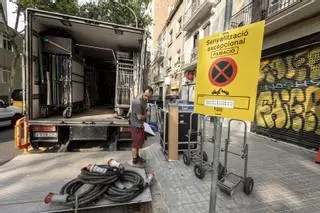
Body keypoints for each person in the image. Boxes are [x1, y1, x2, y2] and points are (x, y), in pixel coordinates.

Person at [130, 86, 153, 166]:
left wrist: (146, 110)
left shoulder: (144, 100)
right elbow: (139, 117)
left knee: (139, 143)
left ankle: (138, 157)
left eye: (149, 96)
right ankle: (134, 160)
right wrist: (147, 114)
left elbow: (144, 109)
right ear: (143, 92)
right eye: (146, 96)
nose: (147, 98)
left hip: (141, 125)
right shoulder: (137, 102)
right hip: (136, 126)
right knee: (135, 144)